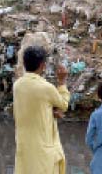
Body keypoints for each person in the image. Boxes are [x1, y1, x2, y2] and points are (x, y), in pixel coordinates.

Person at [13, 45, 69, 174]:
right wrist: (62, 82)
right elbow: (64, 104)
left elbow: (34, 105)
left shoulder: (18, 85)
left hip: (24, 145)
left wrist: (50, 111)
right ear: (42, 65)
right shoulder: (46, 88)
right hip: (43, 148)